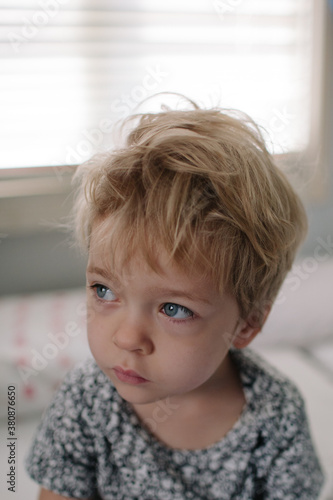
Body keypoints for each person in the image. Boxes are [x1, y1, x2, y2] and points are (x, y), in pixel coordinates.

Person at [26, 99, 324, 499]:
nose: (127, 338)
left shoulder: (275, 415)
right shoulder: (85, 402)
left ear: (247, 323)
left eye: (174, 309)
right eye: (105, 291)